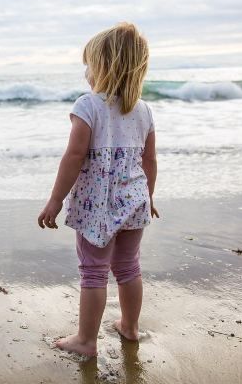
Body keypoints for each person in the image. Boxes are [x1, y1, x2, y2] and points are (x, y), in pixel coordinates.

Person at [37, 22, 159, 358]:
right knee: (128, 266)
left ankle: (86, 341)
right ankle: (131, 328)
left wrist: (56, 199)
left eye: (89, 64)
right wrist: (149, 197)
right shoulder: (144, 110)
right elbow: (149, 160)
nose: (85, 72)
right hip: (136, 200)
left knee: (93, 270)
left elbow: (75, 156)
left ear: (103, 67)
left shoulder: (88, 105)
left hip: (97, 205)